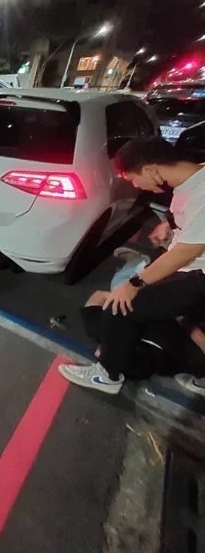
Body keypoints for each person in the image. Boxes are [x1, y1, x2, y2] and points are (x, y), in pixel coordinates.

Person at [59, 136, 205, 394]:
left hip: (197, 275)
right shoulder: (192, 178)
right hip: (188, 268)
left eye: (134, 179)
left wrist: (135, 283)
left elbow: (187, 251)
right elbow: (192, 225)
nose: (136, 186)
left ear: (150, 169)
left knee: (120, 305)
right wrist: (170, 225)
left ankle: (107, 375)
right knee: (123, 299)